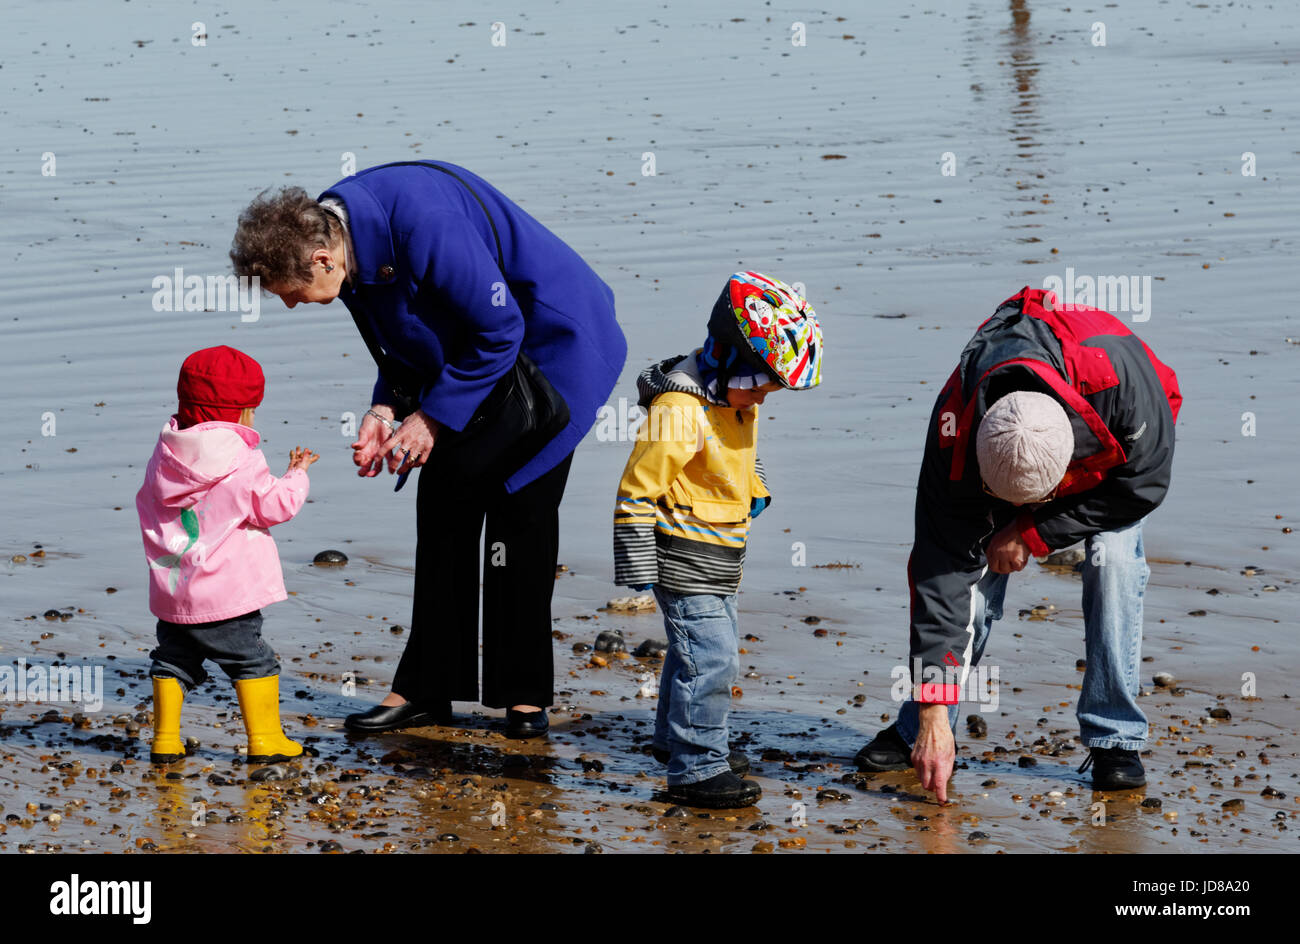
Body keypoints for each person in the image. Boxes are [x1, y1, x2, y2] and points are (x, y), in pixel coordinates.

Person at [230, 160, 627, 739]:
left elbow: (500, 329)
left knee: (521, 512)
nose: (292, 304)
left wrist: (432, 418)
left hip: (551, 348)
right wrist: (385, 410)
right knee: (443, 501)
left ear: (321, 259)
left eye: (290, 294)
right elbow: (404, 331)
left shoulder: (425, 225)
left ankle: (523, 699)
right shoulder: (332, 233)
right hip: (480, 357)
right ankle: (425, 689)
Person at [854, 286, 1181, 797]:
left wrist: (1032, 533)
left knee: (1114, 561)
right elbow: (941, 578)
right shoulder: (952, 431)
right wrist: (933, 711)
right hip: (1005, 457)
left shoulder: (1122, 386)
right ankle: (921, 725)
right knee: (974, 591)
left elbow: (1144, 484)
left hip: (1107, 472)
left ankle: (1116, 738)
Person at [614, 271, 823, 807]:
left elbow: (735, 460)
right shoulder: (680, 410)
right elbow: (638, 487)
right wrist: (637, 567)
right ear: (725, 356)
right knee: (713, 660)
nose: (762, 400)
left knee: (693, 655)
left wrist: (755, 489)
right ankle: (697, 769)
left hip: (722, 556)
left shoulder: (732, 399)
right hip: (682, 556)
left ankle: (675, 740)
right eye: (760, 385)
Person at [136, 345, 318, 765]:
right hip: (226, 595)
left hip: (174, 590)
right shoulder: (240, 458)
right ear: (237, 413)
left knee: (174, 659)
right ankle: (266, 740)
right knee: (253, 660)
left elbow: (149, 503)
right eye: (251, 409)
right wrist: (297, 476)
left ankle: (165, 739)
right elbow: (273, 507)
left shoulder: (164, 454)